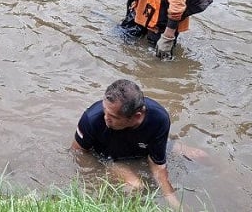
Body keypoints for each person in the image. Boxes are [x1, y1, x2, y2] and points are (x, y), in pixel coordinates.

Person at [72, 79, 182, 209]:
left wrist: (172, 199)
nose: (105, 117)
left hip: (143, 149)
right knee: (136, 185)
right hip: (108, 159)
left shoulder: (159, 119)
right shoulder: (91, 119)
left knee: (199, 155)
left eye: (113, 116)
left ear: (136, 116)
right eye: (104, 110)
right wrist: (100, 171)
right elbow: (77, 152)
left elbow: (157, 165)